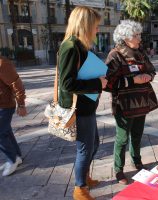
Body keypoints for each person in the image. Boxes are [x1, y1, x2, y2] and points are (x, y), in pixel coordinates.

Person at [58, 6, 107, 200]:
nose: (97, 30)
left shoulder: (79, 45)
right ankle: (80, 189)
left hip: (87, 105)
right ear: (85, 25)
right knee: (85, 147)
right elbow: (67, 83)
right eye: (95, 26)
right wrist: (98, 82)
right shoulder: (70, 47)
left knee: (93, 144)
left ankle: (84, 177)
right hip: (79, 108)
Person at [105, 20, 158, 185]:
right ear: (125, 37)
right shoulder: (115, 55)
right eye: (136, 35)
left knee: (137, 135)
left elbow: (151, 70)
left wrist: (148, 77)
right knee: (122, 139)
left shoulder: (141, 53)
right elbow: (108, 83)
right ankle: (119, 169)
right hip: (124, 105)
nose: (139, 39)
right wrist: (133, 80)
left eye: (139, 35)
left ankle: (137, 161)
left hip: (141, 102)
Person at [0, 56, 27, 176]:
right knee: (6, 131)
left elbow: (17, 84)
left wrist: (21, 104)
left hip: (5, 106)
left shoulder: (2, 63)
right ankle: (16, 156)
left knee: (1, 133)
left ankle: (12, 160)